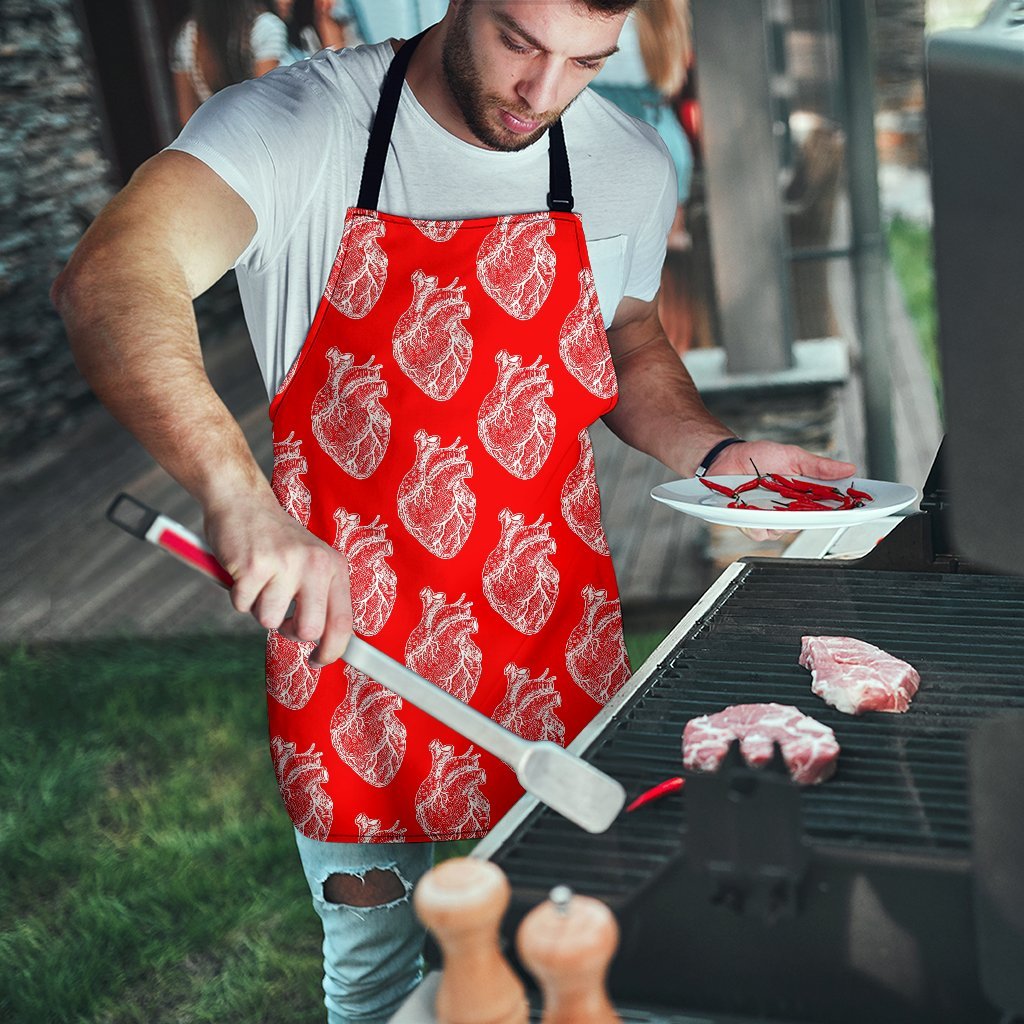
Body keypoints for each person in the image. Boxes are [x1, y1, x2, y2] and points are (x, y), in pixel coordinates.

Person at [53, 2, 855, 1020]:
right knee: (380, 977)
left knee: (573, 949)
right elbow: (112, 275)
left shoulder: (625, 160)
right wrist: (237, 497)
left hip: (551, 641)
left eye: (585, 62)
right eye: (520, 42)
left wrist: (717, 449)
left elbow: (629, 333)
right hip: (350, 657)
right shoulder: (298, 126)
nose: (543, 92)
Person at [170, 0, 289, 125]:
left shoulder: (187, 37)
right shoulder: (265, 27)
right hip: (262, 134)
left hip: (215, 137)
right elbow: (267, 104)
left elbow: (186, 117)